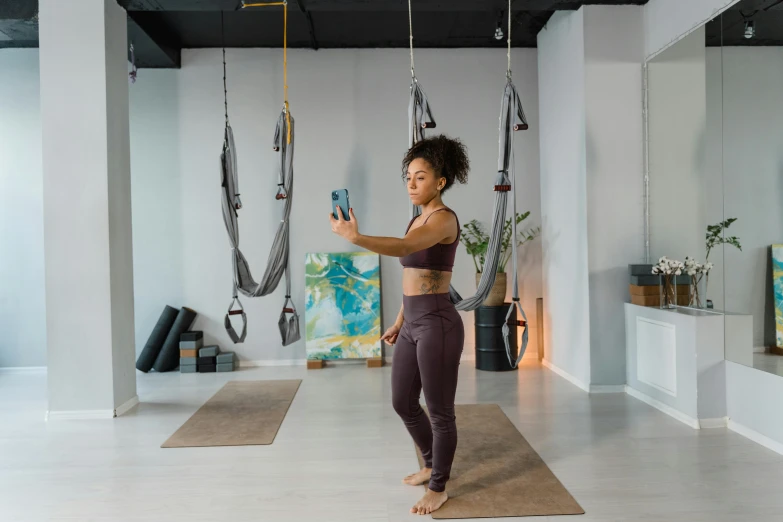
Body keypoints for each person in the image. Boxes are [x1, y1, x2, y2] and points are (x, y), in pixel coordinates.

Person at [329, 135, 469, 515]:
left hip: (439, 323)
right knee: (402, 402)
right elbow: (417, 276)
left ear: (440, 182)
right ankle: (429, 464)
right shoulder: (417, 217)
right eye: (408, 176)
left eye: (420, 177)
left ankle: (439, 487)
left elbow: (406, 250)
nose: (411, 183)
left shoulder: (443, 219)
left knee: (440, 411)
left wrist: (355, 237)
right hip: (413, 322)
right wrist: (399, 320)